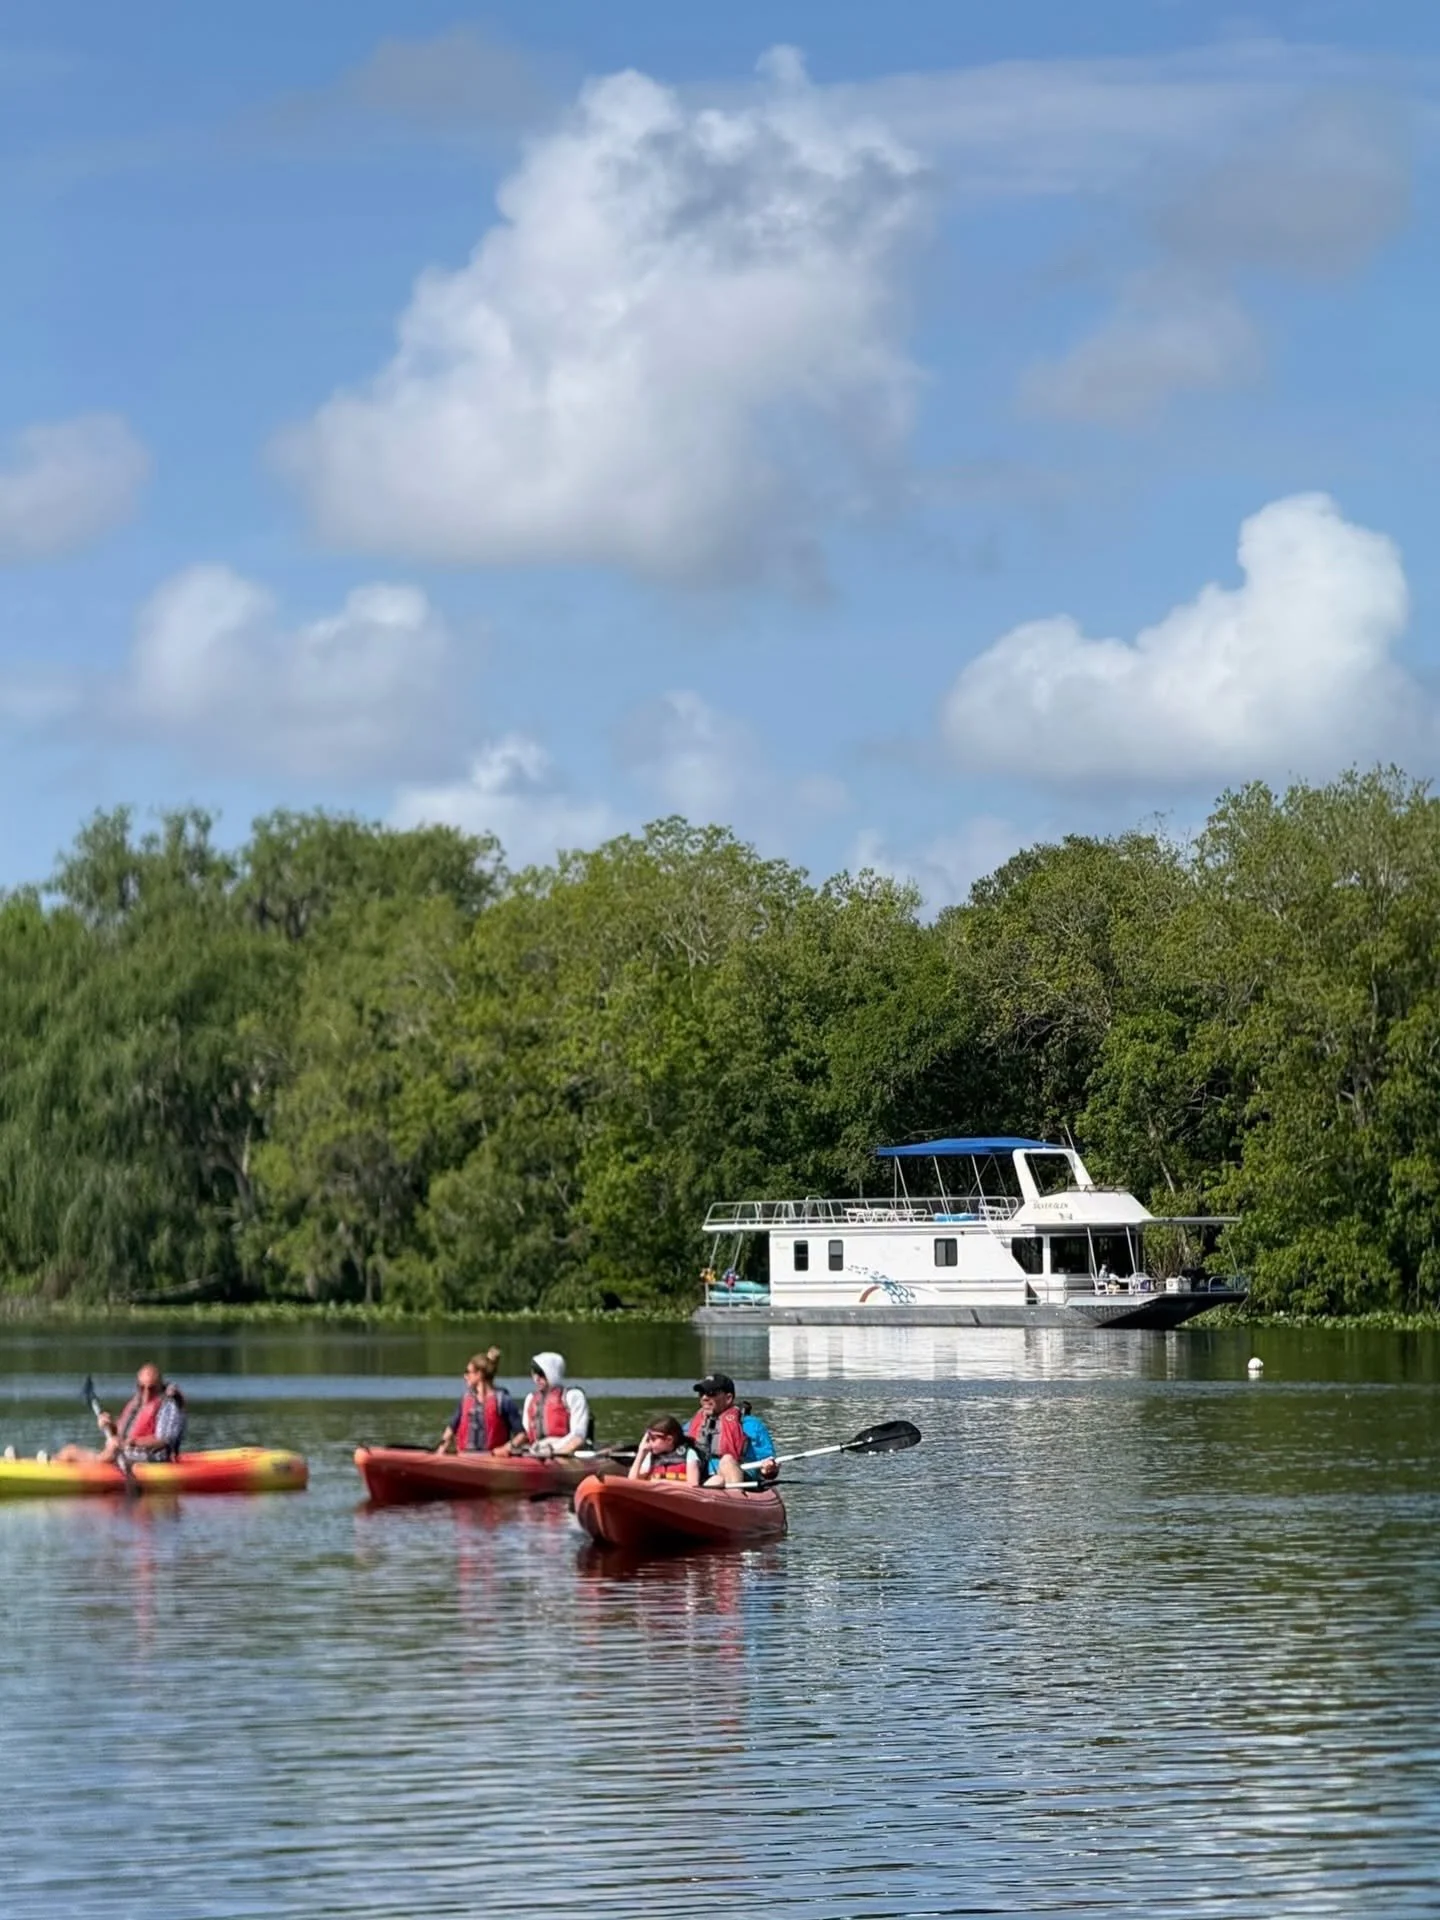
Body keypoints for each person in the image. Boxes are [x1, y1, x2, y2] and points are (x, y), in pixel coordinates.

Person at [55, 1364, 187, 1464]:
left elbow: (163, 1440)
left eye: (151, 1388)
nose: (146, 1392)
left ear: (159, 1385)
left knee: (78, 1453)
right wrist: (109, 1425)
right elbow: (119, 1434)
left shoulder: (169, 1405)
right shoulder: (137, 1402)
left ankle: (94, 1464)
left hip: (155, 1459)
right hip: (128, 1453)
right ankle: (54, 1465)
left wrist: (131, 1443)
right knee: (69, 1450)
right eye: (142, 1387)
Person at [686, 1374, 778, 1489]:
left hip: (740, 1476)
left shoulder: (751, 1425)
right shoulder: (692, 1424)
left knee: (727, 1461)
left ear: (728, 1398)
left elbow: (770, 1468)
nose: (704, 1398)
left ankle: (736, 1497)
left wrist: (768, 1468)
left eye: (711, 1393)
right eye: (701, 1393)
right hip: (703, 1477)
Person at [436, 1349, 523, 1455]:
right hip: (465, 1457)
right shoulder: (465, 1399)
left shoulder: (503, 1401)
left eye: (468, 1372)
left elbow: (522, 1435)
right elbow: (450, 1430)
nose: (465, 1376)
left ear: (479, 1374)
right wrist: (441, 1448)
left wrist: (507, 1448)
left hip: (493, 1460)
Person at [511, 1351, 592, 1459]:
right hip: (536, 1451)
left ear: (552, 1372)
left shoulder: (573, 1396)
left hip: (565, 1452)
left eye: (541, 1373)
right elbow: (526, 1434)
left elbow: (578, 1438)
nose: (536, 1378)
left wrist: (555, 1452)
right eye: (534, 1372)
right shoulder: (530, 1399)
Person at [628, 1414, 702, 1485]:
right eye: (648, 1439)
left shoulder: (689, 1454)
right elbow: (632, 1481)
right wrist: (641, 1452)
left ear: (669, 1440)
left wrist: (663, 1482)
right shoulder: (650, 1456)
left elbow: (693, 1484)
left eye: (653, 1439)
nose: (649, 1443)